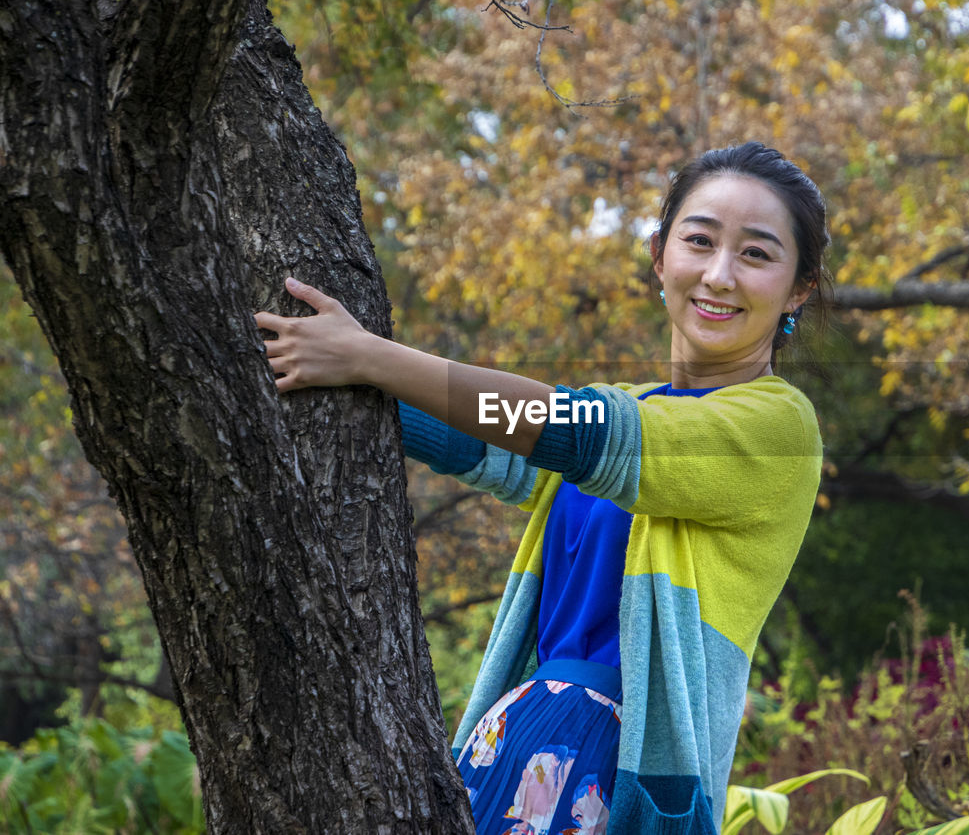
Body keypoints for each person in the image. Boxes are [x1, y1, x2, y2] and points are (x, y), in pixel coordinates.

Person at [254, 142, 829, 835]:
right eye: (699, 241)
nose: (718, 274)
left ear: (800, 287)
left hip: (612, 777)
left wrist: (371, 355)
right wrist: (325, 365)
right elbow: (483, 438)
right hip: (514, 744)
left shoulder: (780, 429)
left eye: (757, 254)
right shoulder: (637, 405)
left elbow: (574, 434)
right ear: (659, 256)